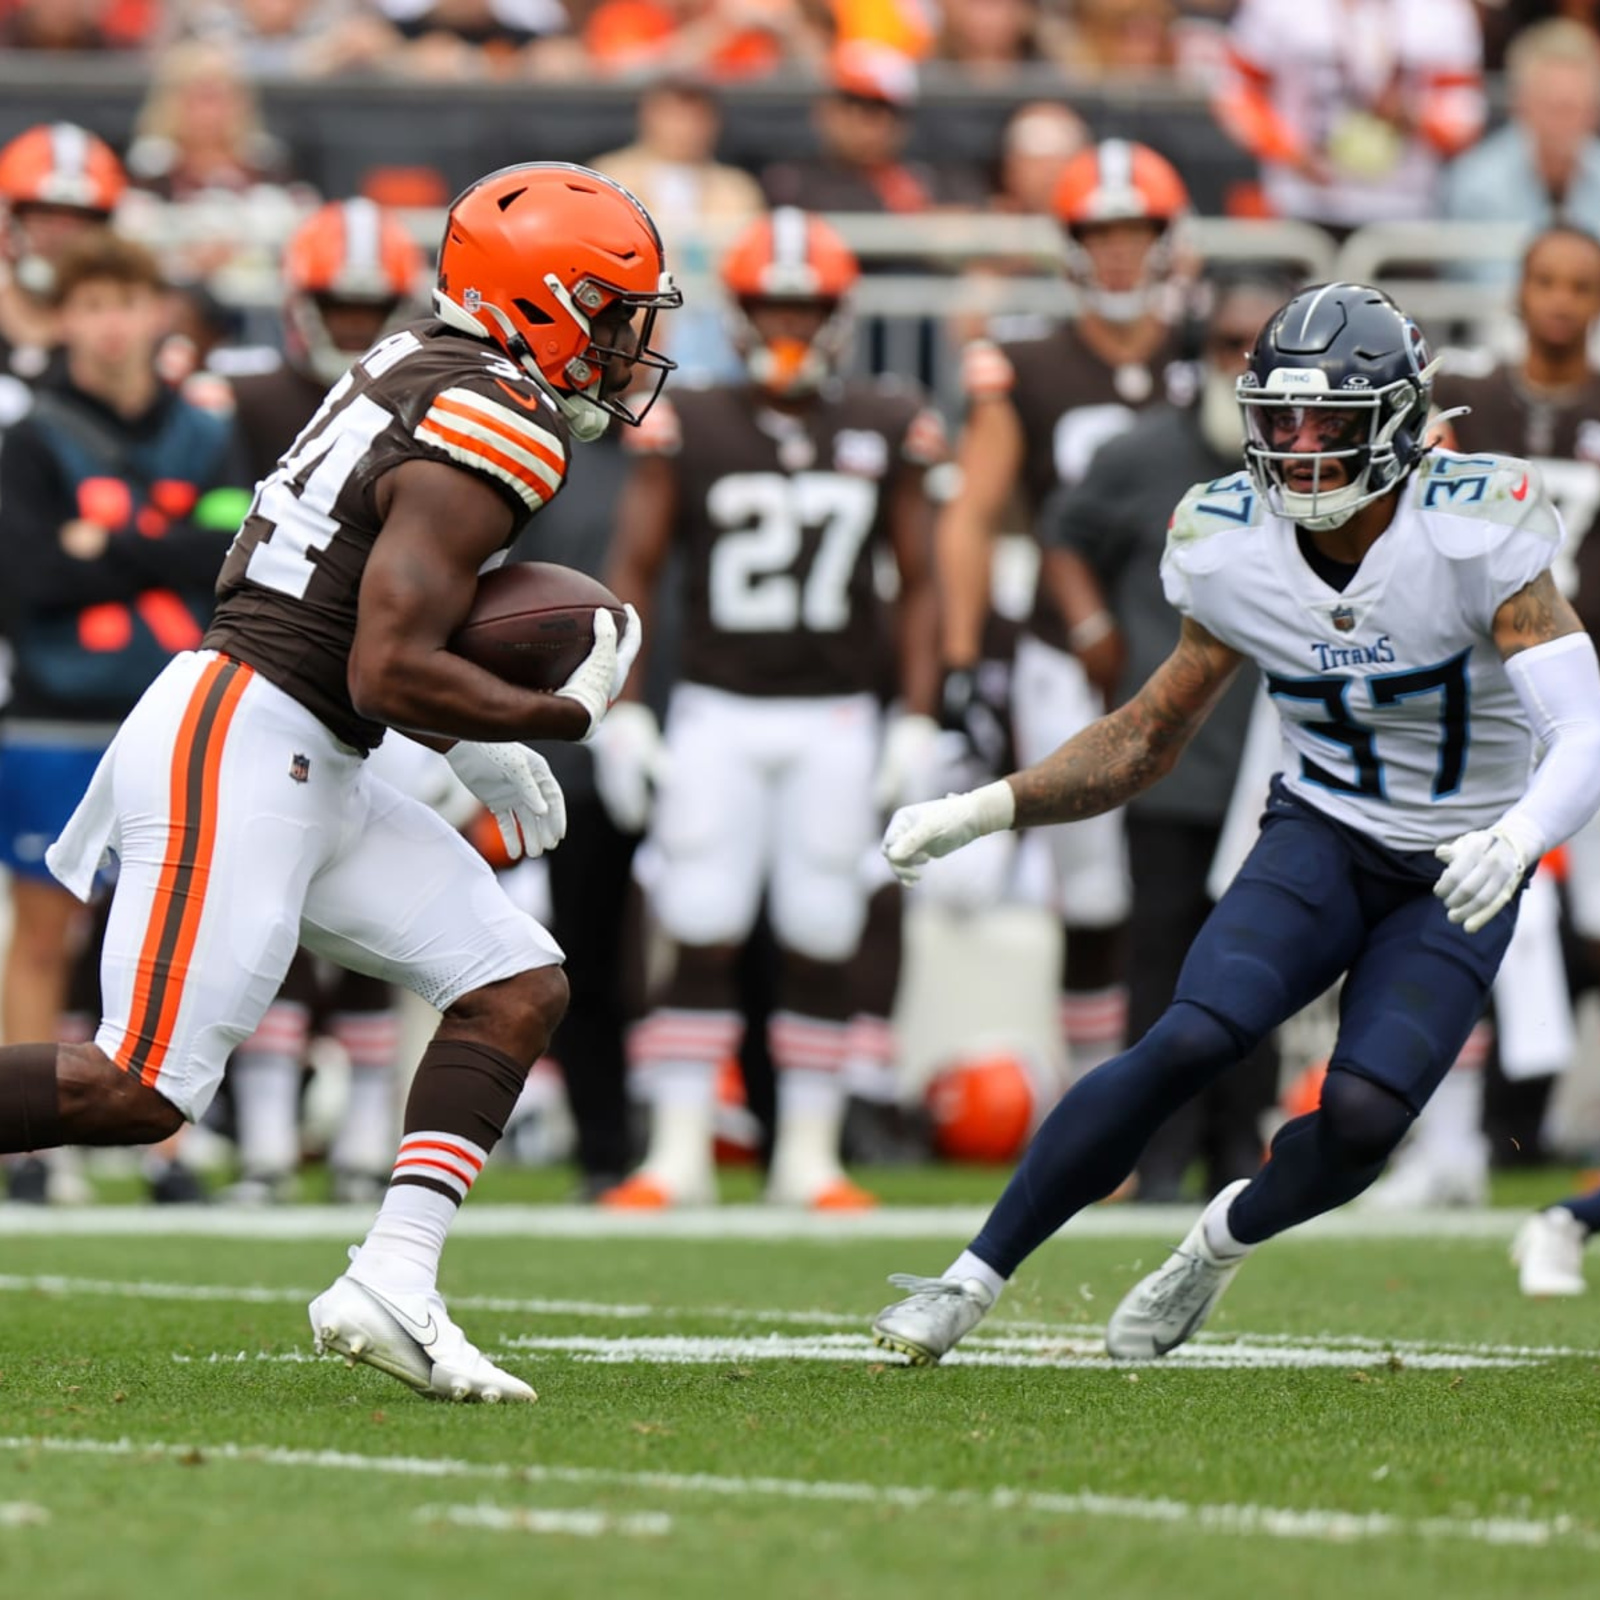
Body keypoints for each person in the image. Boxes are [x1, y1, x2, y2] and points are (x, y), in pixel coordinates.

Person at [0, 163, 677, 1404]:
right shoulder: (495, 417)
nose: (630, 345)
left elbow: (377, 617)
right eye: (613, 310)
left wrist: (475, 738)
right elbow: (390, 660)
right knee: (138, 1089)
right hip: (249, 735)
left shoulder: (428, 358)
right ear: (541, 301)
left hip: (304, 739)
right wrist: (555, 708)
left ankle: (393, 1279)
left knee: (514, 983)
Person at [871, 282, 1600, 1366]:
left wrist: (1516, 834)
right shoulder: (1226, 539)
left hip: (1461, 859)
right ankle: (970, 1277)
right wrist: (985, 807)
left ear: (1399, 423)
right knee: (1192, 1036)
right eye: (1281, 421)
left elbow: (1583, 726)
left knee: (1361, 1116)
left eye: (1331, 426)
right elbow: (1146, 734)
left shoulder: (1473, 525)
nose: (1299, 450)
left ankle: (1216, 1242)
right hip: (1321, 831)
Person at [597, 208, 944, 1209]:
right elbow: (637, 569)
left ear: (838, 314)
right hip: (718, 707)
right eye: (771, 303)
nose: (788, 322)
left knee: (823, 925)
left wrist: (918, 713)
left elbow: (919, 581)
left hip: (836, 713)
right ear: (740, 311)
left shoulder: (884, 418)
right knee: (699, 915)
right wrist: (623, 704)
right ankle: (676, 1150)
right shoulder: (691, 418)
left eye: (806, 304)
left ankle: (808, 1153)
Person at [937, 139, 1192, 1091]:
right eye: (1101, 234)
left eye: (1136, 234)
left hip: (1201, 653)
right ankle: (1102, 1100)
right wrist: (964, 660)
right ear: (1072, 245)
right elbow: (970, 516)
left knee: (1206, 875)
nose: (1120, 255)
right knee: (1091, 890)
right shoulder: (1026, 364)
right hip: (1066, 655)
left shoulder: (1208, 353)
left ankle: (1196, 1097)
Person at [1036, 272, 1293, 1201]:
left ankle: (1238, 1149)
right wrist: (1094, 630)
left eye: (1254, 349)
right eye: (1226, 346)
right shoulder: (1147, 453)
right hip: (1175, 760)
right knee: (1163, 959)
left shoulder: (1321, 462)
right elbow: (1062, 531)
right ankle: (1158, 1153)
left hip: (1280, 759)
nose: (1239, 367)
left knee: (1265, 963)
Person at [0, 230, 242, 1202]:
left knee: (162, 932)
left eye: (124, 303)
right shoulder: (31, 437)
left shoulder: (205, 425)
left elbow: (231, 550)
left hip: (171, 704)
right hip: (57, 710)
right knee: (45, 925)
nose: (109, 324)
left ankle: (162, 1138)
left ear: (157, 313)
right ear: (65, 320)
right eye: (88, 306)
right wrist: (164, 539)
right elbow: (28, 580)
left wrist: (112, 539)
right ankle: (25, 1142)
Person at [218, 197, 434, 1205]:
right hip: (275, 675)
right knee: (269, 919)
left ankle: (359, 1142)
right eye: (335, 306)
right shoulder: (247, 399)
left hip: (384, 695)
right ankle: (265, 1141)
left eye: (367, 308)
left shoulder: (435, 398)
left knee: (376, 931)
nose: (352, 328)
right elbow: (212, 523)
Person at [1213, 0, 1485, 233]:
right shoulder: (1278, 6)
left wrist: (1412, 114)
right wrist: (1287, 151)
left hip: (1405, 211)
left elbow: (1466, 115)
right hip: (1299, 205)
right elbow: (1235, 92)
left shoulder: (1443, 12)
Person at [1442, 21, 1600, 257]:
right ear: (1520, 104)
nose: (1563, 123)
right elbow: (1477, 285)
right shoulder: (1476, 185)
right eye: (1551, 106)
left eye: (1574, 107)